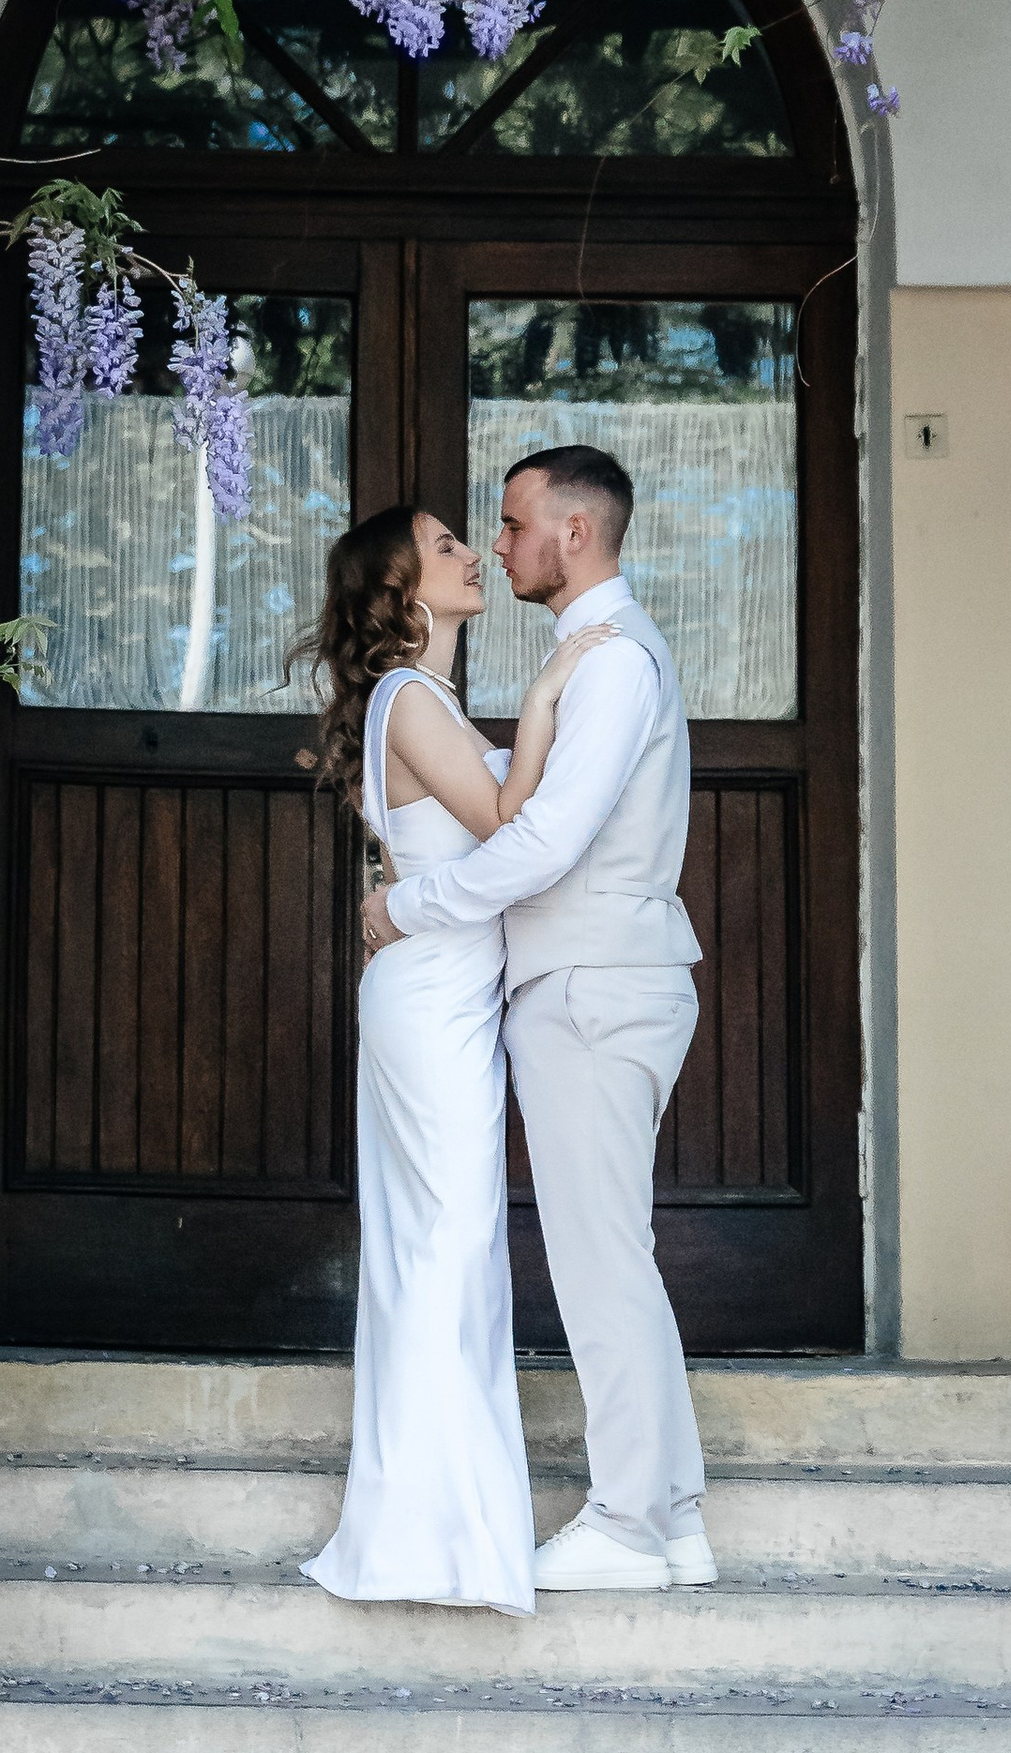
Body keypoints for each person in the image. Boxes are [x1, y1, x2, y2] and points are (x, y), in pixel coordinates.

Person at [363, 445, 709, 1598]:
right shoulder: (590, 657)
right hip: (591, 983)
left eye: (510, 526)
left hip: (592, 987)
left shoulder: (607, 664)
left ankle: (626, 1516)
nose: (497, 545)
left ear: (573, 532)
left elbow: (542, 841)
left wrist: (408, 903)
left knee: (599, 1256)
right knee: (616, 1250)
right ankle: (673, 1515)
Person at [298, 499, 617, 1612]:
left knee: (446, 1244)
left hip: (437, 992)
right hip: (430, 999)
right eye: (444, 547)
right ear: (399, 589)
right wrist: (543, 698)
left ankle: (436, 1526)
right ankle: (425, 1537)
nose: (472, 553)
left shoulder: (416, 699)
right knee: (443, 1245)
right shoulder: (409, 696)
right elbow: (506, 819)